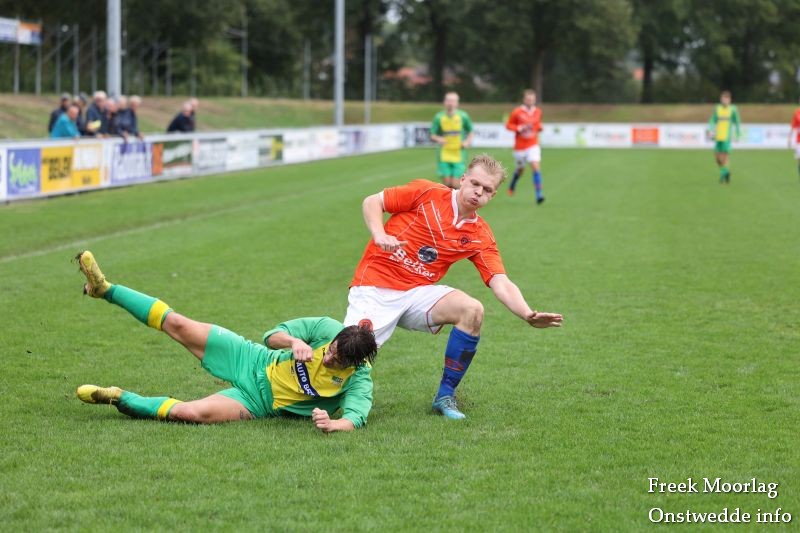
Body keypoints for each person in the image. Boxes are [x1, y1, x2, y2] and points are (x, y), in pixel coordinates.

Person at [345, 154, 563, 420]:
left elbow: (500, 281)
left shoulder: (479, 235)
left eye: (487, 190)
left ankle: (445, 395)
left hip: (417, 293)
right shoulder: (426, 192)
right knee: (346, 356)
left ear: (492, 196)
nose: (478, 192)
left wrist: (527, 314)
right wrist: (380, 234)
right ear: (462, 180)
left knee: (472, 310)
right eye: (475, 184)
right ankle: (303, 390)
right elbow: (373, 201)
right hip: (375, 286)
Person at [74, 251, 377, 433]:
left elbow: (354, 419)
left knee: (187, 414)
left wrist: (331, 423)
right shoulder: (327, 328)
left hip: (257, 402)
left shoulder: (359, 381)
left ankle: (119, 397)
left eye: (337, 361)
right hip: (251, 358)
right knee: (178, 324)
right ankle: (105, 289)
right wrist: (293, 341)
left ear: (354, 364)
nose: (328, 358)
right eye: (331, 351)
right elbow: (271, 336)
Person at [505, 89, 545, 203]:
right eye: (528, 99)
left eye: (532, 99)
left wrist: (539, 127)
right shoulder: (517, 112)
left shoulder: (538, 111)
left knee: (535, 166)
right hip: (520, 146)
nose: (530, 101)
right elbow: (508, 125)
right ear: (524, 100)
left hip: (533, 144)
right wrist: (518, 128)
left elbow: (537, 124)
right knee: (520, 170)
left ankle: (539, 194)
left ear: (534, 100)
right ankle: (513, 183)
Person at [430, 92, 474, 189]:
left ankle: (460, 197)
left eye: (453, 101)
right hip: (444, 153)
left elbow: (471, 131)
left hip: (458, 153)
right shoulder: (439, 117)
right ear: (444, 102)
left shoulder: (463, 116)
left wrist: (467, 142)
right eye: (448, 100)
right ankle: (450, 199)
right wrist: (438, 138)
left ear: (457, 103)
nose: (450, 103)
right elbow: (432, 134)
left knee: (455, 184)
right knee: (447, 184)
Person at [707, 90, 741, 184]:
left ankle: (724, 175)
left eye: (727, 99)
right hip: (718, 136)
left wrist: (738, 134)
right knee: (717, 158)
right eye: (723, 99)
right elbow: (713, 120)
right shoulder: (717, 108)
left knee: (725, 158)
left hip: (727, 137)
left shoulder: (733, 109)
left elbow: (737, 122)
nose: (725, 101)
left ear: (730, 100)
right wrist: (710, 129)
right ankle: (725, 173)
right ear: (721, 99)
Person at [789, 97, 800, 179]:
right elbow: (793, 126)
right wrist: (789, 138)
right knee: (799, 159)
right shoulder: (797, 112)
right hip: (799, 140)